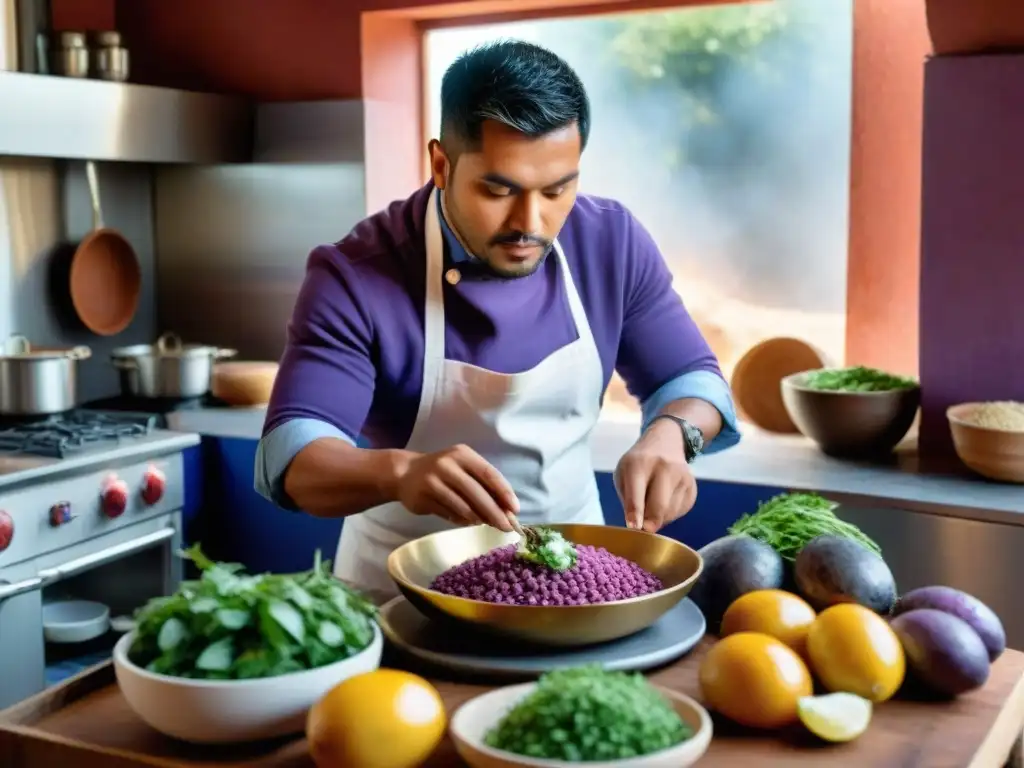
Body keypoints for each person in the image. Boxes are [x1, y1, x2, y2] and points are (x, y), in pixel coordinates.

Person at [255, 40, 740, 604]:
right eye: (498, 189)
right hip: (399, 594)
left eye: (557, 189)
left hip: (573, 591)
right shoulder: (357, 274)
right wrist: (399, 474)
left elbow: (693, 380)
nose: (530, 223)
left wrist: (672, 435)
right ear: (441, 165)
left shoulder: (611, 242)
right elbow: (293, 456)